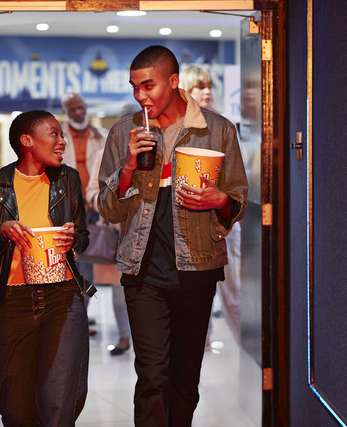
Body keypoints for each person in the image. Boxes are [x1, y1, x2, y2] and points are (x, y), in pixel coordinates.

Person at [96, 46, 248, 426]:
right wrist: (128, 166)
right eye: (134, 87)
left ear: (175, 81)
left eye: (148, 85)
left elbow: (237, 202)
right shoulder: (123, 133)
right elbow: (108, 208)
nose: (140, 96)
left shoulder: (217, 130)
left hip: (197, 268)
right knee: (151, 377)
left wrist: (219, 200)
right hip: (142, 273)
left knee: (184, 379)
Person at [0, 110, 94, 426]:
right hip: (11, 304)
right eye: (53, 134)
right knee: (17, 409)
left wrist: (72, 239)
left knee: (58, 406)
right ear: (28, 140)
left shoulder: (68, 179)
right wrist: (2, 232)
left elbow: (83, 239)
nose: (62, 141)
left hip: (63, 299)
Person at [180, 64, 243, 345]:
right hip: (186, 221)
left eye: (209, 86)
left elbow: (236, 184)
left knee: (232, 290)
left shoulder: (222, 126)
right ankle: (199, 338)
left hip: (219, 219)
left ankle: (245, 342)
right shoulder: (175, 128)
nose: (206, 92)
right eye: (199, 86)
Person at [84, 102, 139, 356]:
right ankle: (125, 337)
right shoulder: (104, 154)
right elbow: (92, 194)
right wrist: (110, 202)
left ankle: (144, 338)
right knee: (119, 289)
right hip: (116, 233)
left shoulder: (154, 151)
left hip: (148, 233)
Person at [60, 91, 109, 335]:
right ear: (66, 112)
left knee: (89, 266)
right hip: (66, 211)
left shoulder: (102, 136)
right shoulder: (57, 136)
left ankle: (83, 316)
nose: (78, 112)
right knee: (70, 265)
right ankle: (74, 317)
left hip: (92, 210)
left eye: (80, 107)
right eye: (72, 109)